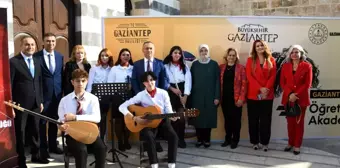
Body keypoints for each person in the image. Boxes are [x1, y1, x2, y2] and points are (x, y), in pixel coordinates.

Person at [119, 71, 178, 168]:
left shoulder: (163, 93)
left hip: (163, 122)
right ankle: (154, 164)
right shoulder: (141, 95)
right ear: (143, 83)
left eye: (151, 80)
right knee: (149, 136)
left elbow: (169, 111)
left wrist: (173, 117)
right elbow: (122, 107)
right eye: (146, 81)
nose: (150, 83)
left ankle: (171, 163)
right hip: (147, 124)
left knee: (173, 136)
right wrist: (134, 117)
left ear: (155, 80)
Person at [10, 36, 48, 167]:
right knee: (20, 132)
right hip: (20, 105)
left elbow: (39, 82)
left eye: (32, 45)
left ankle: (36, 155)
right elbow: (9, 85)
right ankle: (21, 160)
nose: (30, 47)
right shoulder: (14, 62)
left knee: (36, 130)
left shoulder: (37, 61)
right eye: (27, 44)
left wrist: (41, 100)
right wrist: (11, 106)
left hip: (36, 104)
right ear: (21, 45)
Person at [58, 69, 106, 168]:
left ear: (87, 81)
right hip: (72, 135)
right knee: (81, 150)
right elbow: (61, 120)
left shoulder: (93, 99)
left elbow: (97, 118)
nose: (80, 83)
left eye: (83, 81)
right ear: (72, 82)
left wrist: (76, 117)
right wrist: (60, 126)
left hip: (90, 133)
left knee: (101, 148)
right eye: (77, 81)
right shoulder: (64, 100)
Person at [131, 41, 169, 151]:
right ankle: (145, 145)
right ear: (143, 50)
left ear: (154, 50)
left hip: (157, 98)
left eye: (151, 48)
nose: (149, 51)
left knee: (155, 121)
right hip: (142, 99)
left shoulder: (160, 63)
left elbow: (165, 80)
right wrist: (139, 95)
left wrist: (160, 94)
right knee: (143, 120)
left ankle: (155, 143)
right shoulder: (137, 64)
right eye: (146, 48)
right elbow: (134, 80)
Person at [34, 32, 64, 158]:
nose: (50, 43)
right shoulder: (36, 56)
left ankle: (53, 145)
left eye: (52, 41)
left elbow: (60, 75)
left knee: (53, 122)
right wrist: (38, 97)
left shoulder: (59, 56)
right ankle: (43, 148)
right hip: (43, 96)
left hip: (56, 95)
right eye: (48, 41)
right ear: (43, 42)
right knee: (41, 123)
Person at [279, 45, 312, 155]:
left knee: (299, 123)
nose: (294, 54)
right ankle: (290, 143)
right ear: (289, 54)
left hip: (301, 99)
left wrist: (295, 94)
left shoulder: (307, 66)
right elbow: (283, 83)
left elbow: (307, 84)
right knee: (290, 123)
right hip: (288, 99)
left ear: (301, 54)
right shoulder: (285, 66)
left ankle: (297, 145)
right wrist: (290, 94)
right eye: (292, 52)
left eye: (296, 52)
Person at [245, 40, 276, 151]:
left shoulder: (271, 60)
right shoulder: (250, 60)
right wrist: (260, 88)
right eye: (257, 46)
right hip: (253, 95)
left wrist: (265, 89)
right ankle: (254, 142)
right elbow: (249, 77)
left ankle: (265, 143)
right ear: (254, 48)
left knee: (265, 121)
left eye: (261, 45)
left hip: (267, 95)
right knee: (253, 120)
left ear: (265, 46)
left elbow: (273, 76)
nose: (259, 47)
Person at [190, 44, 220, 148]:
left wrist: (217, 97)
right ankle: (199, 140)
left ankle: (207, 140)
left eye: (205, 50)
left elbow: (217, 82)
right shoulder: (194, 65)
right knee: (198, 118)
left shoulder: (214, 64)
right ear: (199, 52)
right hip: (196, 96)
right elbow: (191, 81)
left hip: (210, 96)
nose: (204, 52)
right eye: (202, 50)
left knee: (208, 118)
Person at [163, 46, 192, 148]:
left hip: (182, 91)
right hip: (170, 91)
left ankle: (181, 139)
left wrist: (185, 95)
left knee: (181, 117)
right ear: (171, 54)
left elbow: (188, 81)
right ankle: (173, 139)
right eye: (175, 52)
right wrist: (172, 89)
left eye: (179, 53)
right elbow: (164, 81)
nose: (177, 55)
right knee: (172, 117)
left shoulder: (185, 67)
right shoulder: (166, 66)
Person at [219, 48, 247, 149]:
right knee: (227, 120)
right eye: (230, 55)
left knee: (236, 121)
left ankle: (235, 140)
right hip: (224, 99)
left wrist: (241, 99)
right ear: (226, 57)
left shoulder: (241, 68)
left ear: (236, 57)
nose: (231, 57)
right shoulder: (221, 67)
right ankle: (227, 139)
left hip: (236, 99)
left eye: (233, 55)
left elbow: (244, 85)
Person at [107, 48, 134, 151]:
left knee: (129, 120)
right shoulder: (114, 69)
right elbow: (110, 83)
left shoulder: (133, 68)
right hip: (117, 97)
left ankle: (126, 140)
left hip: (130, 97)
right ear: (120, 56)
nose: (126, 56)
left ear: (130, 57)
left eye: (128, 54)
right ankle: (119, 141)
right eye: (123, 54)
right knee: (118, 120)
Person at [86, 48, 114, 140]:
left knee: (103, 118)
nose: (104, 57)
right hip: (95, 96)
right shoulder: (94, 68)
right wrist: (87, 97)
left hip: (106, 96)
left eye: (106, 56)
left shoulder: (112, 69)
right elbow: (90, 83)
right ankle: (94, 139)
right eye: (102, 56)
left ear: (109, 57)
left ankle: (102, 139)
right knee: (95, 118)